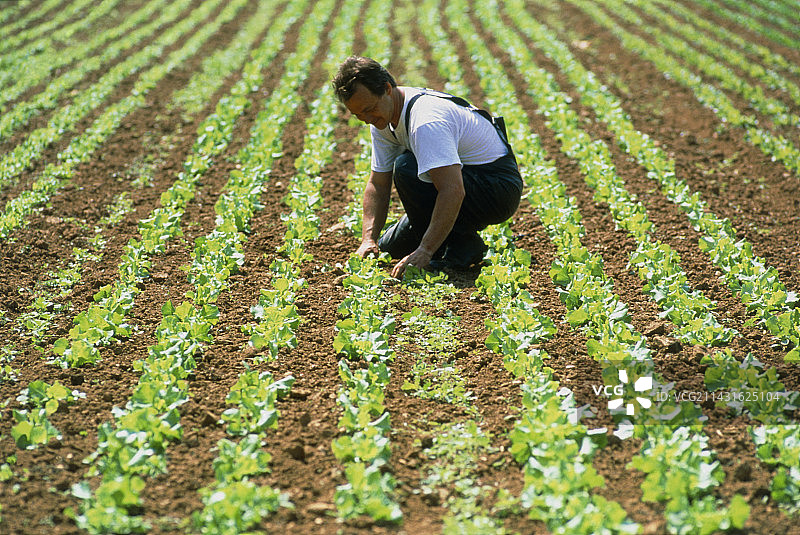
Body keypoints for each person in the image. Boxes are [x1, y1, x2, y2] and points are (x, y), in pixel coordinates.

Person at [332, 55, 522, 278]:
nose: (366, 119)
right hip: (464, 182)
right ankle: (440, 242)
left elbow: (453, 190)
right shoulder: (381, 117)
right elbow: (378, 184)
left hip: (496, 188)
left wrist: (426, 250)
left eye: (369, 109)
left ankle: (463, 250)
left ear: (386, 89)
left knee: (406, 167)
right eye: (358, 114)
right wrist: (368, 239)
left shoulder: (425, 121)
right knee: (387, 248)